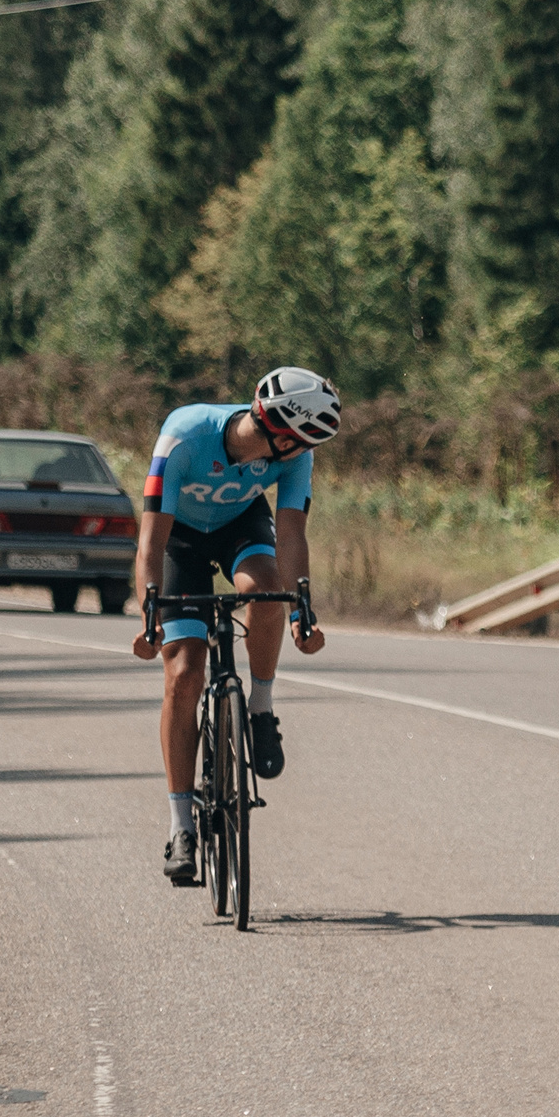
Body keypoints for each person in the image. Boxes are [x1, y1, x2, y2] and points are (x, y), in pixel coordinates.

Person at [129, 367, 340, 882]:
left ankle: (261, 707)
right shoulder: (183, 436)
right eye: (309, 441)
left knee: (264, 589)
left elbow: (291, 538)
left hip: (239, 527)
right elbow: (150, 542)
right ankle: (181, 826)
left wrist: (300, 611)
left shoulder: (296, 459)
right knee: (184, 674)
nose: (309, 451)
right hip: (178, 540)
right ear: (284, 435)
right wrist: (149, 612)